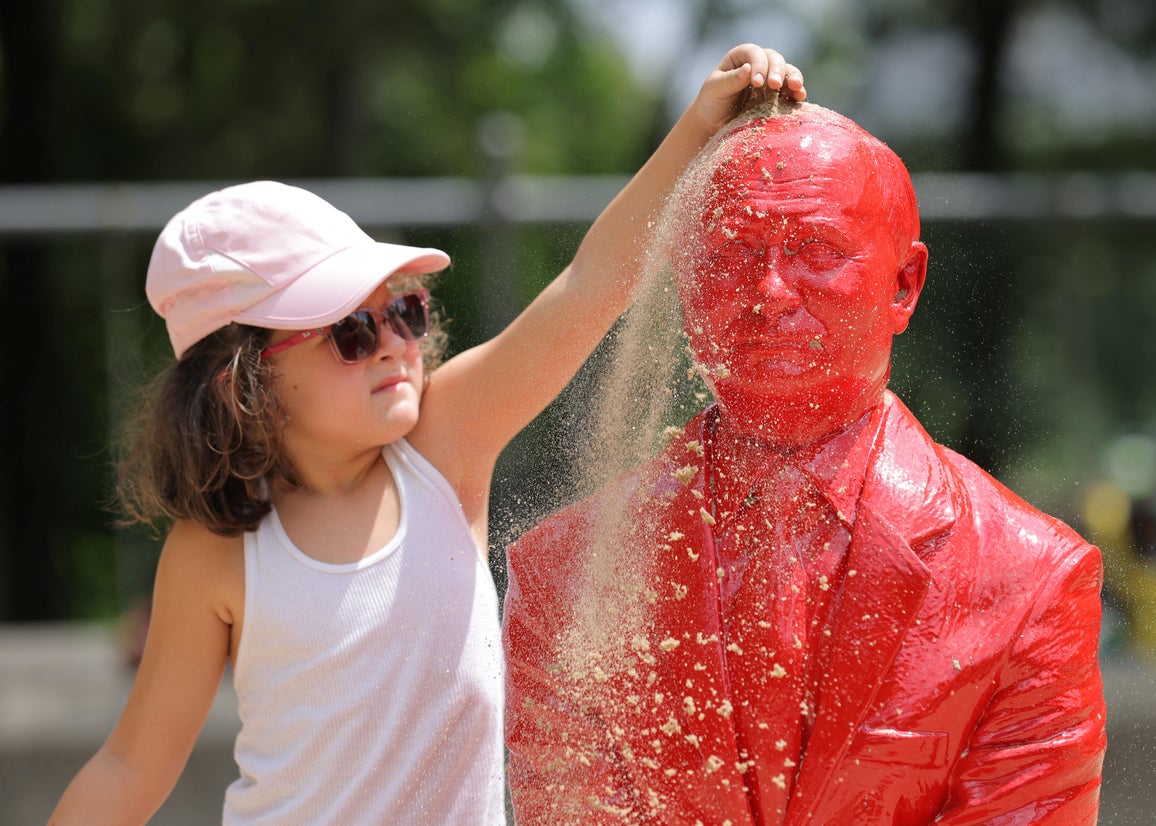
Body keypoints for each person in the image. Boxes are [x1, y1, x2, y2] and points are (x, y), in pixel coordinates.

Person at [47, 45, 808, 826]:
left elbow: (586, 288)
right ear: (241, 384)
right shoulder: (218, 550)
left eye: (403, 311)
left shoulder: (442, 450)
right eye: (349, 329)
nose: (392, 343)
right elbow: (131, 765)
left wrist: (696, 128)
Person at [503, 97, 1107, 824]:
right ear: (685, 282)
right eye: (730, 255)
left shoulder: (1028, 581)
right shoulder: (564, 579)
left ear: (904, 284)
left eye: (817, 251)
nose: (770, 291)